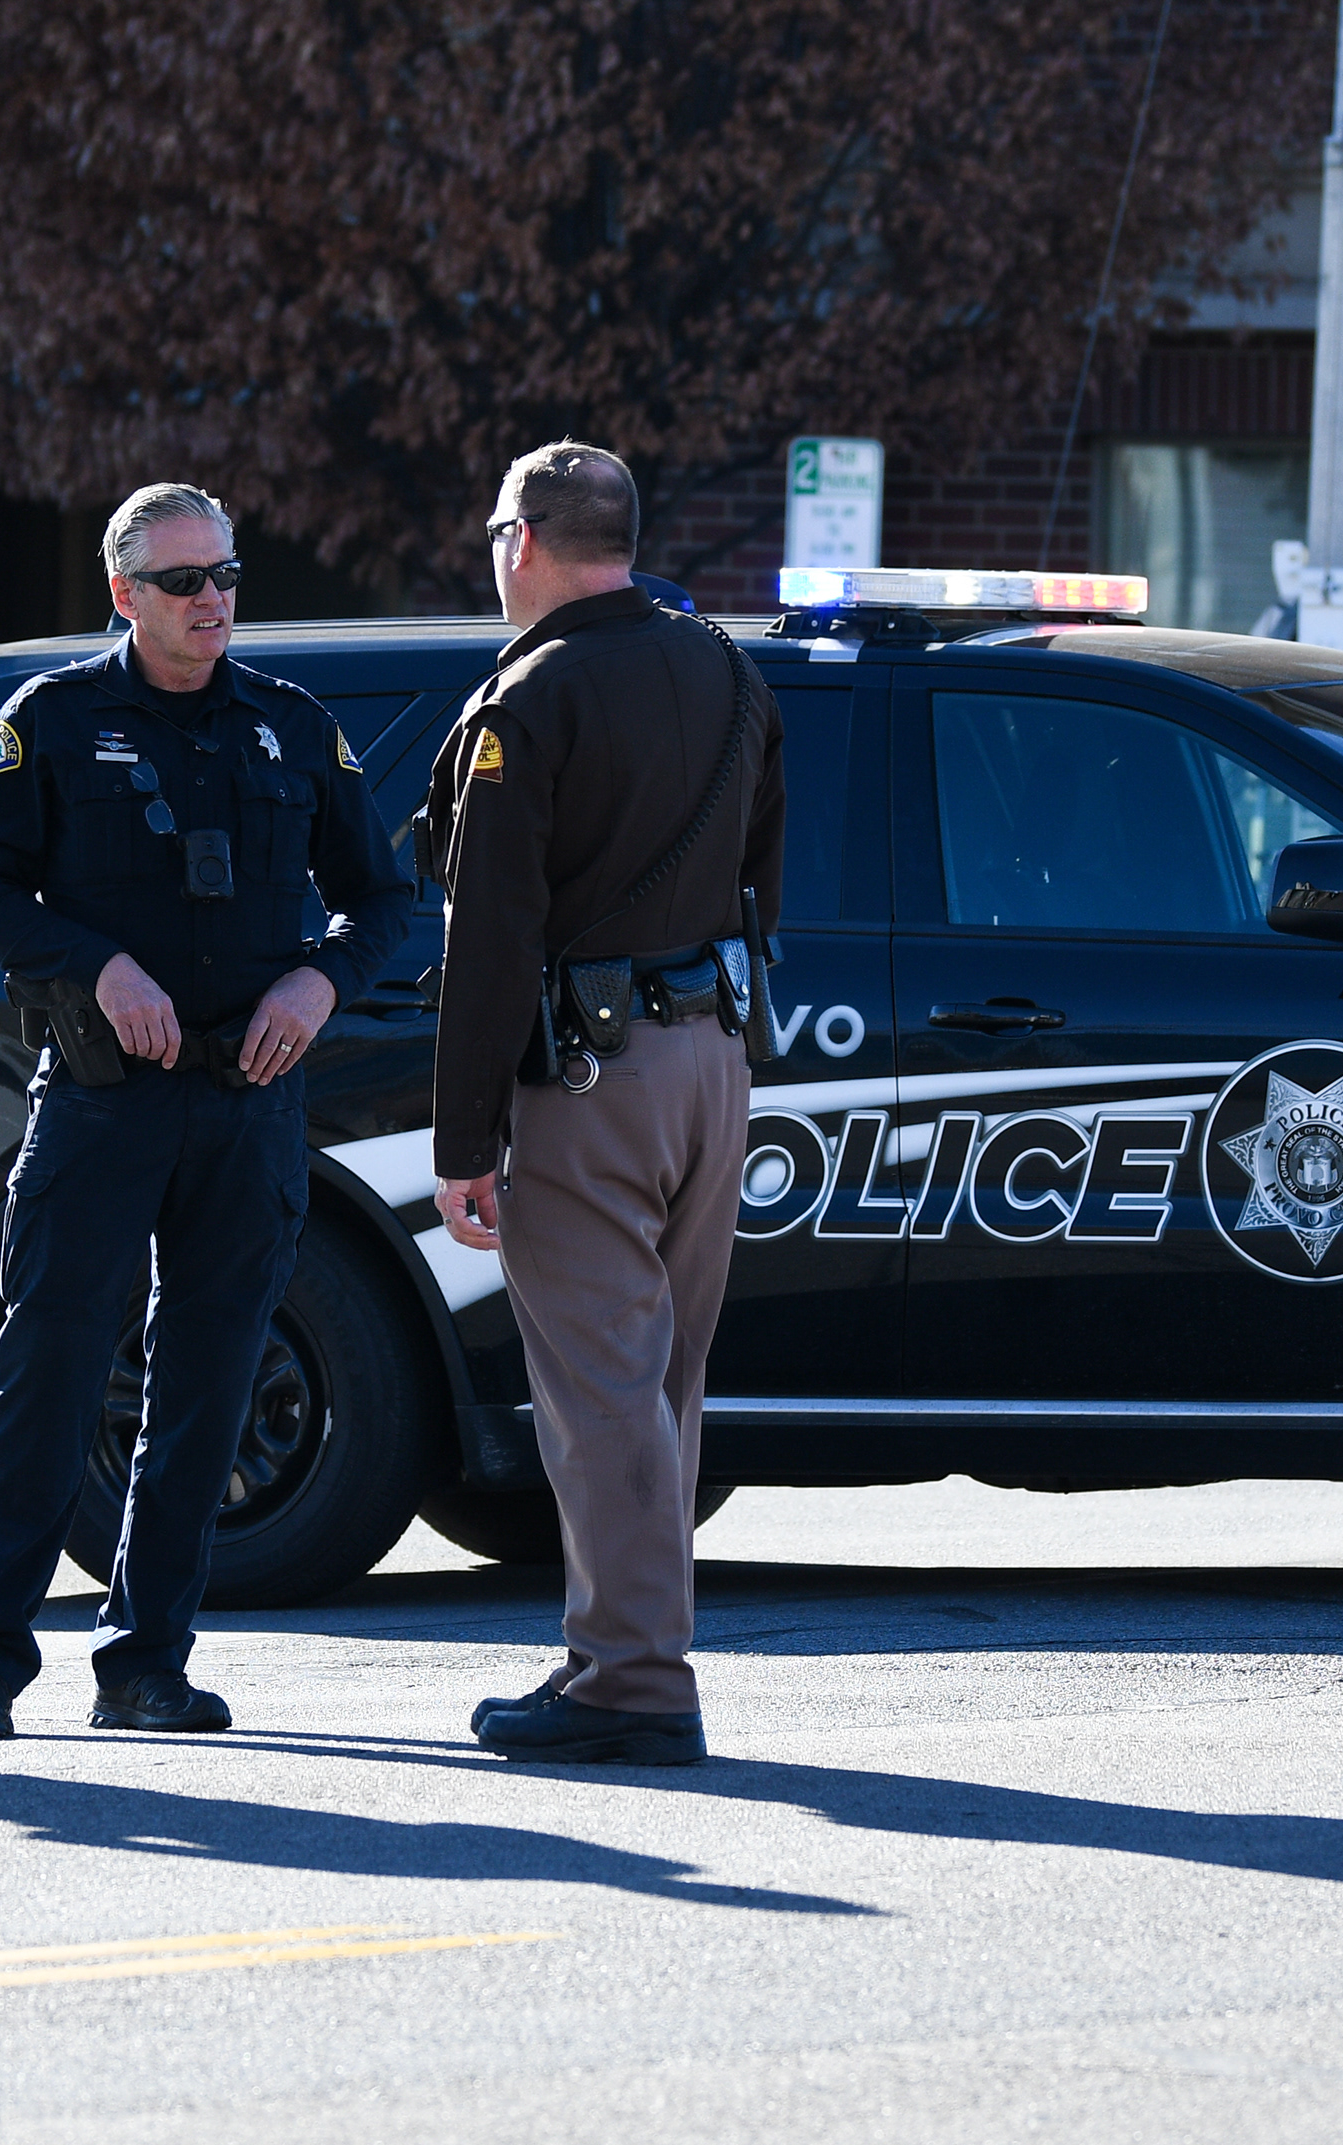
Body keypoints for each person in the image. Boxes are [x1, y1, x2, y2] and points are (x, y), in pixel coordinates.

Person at [0, 484, 409, 1740]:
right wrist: (95, 965)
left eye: (226, 575)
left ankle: (148, 1660)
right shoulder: (56, 718)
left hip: (248, 1101)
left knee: (209, 1381)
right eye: (184, 581)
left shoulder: (292, 727)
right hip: (104, 1099)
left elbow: (387, 902)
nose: (213, 601)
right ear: (123, 594)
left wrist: (322, 977)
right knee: (51, 1364)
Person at [427, 442, 784, 1767]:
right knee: (661, 1384)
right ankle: (621, 1651)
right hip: (710, 1059)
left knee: (603, 1388)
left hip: (589, 1072)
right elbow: (765, 872)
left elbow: (491, 933)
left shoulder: (533, 699)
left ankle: (631, 1680)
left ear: (522, 540)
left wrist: (464, 1137)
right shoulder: (727, 667)